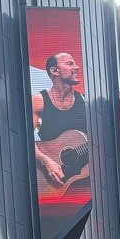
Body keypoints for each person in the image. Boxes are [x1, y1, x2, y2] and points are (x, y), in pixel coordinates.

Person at [31, 52, 87, 189]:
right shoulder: (38, 101)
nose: (77, 67)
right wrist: (46, 161)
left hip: (84, 173)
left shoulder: (86, 103)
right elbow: (24, 139)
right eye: (70, 64)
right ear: (54, 71)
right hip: (53, 178)